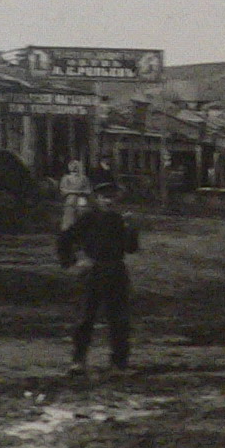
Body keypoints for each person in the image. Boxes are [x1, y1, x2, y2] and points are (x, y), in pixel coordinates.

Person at [57, 181, 140, 373]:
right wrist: (72, 262)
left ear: (117, 199)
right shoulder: (88, 219)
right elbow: (65, 239)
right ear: (97, 198)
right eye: (104, 197)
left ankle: (119, 362)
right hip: (92, 271)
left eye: (112, 197)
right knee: (85, 318)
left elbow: (131, 248)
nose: (108, 201)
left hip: (116, 271)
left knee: (119, 319)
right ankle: (78, 360)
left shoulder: (121, 221)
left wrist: (131, 229)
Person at [58, 159, 95, 233]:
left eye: (76, 166)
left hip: (82, 200)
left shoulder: (84, 178)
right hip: (70, 200)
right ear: (69, 167)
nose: (74, 167)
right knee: (69, 217)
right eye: (72, 166)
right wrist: (74, 192)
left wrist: (81, 193)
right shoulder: (66, 178)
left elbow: (89, 190)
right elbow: (63, 190)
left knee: (83, 215)